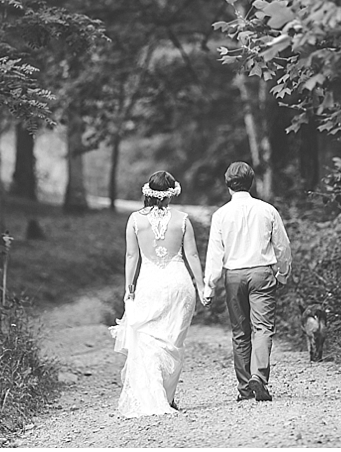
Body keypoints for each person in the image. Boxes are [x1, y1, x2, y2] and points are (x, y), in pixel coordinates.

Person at [109, 171, 206, 417]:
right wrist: (201, 284)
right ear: (172, 193)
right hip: (179, 284)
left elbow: (132, 256)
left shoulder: (134, 220)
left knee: (149, 341)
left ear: (148, 192)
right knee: (174, 342)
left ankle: (153, 396)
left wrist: (128, 286)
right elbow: (192, 255)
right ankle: (168, 397)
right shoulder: (183, 220)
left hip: (149, 284)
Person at [202, 161, 292, 402]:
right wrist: (282, 273)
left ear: (228, 185)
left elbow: (214, 252)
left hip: (233, 276)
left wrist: (209, 284)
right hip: (262, 273)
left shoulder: (220, 215)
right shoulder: (267, 210)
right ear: (251, 183)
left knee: (240, 332)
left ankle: (244, 389)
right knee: (262, 329)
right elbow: (282, 246)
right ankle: (259, 377)